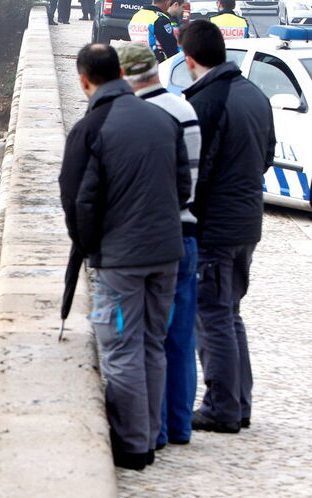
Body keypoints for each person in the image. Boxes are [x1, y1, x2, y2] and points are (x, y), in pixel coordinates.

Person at [59, 43, 190, 470]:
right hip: (167, 254)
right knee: (153, 342)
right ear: (120, 72)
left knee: (120, 348)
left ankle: (133, 447)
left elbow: (76, 200)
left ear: (84, 80)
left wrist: (92, 246)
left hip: (121, 262)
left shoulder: (91, 127)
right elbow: (183, 190)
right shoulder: (162, 119)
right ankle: (150, 437)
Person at [178, 20, 275, 433]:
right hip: (247, 222)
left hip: (215, 226)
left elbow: (195, 172)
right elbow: (267, 154)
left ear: (189, 58)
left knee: (213, 315)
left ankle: (222, 408)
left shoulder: (207, 102)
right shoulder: (254, 94)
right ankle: (239, 403)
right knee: (229, 313)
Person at [118, 43, 201, 448]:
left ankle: (156, 431)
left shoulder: (140, 117)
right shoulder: (185, 108)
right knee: (180, 340)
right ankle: (180, 425)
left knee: (143, 339)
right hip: (187, 235)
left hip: (150, 241)